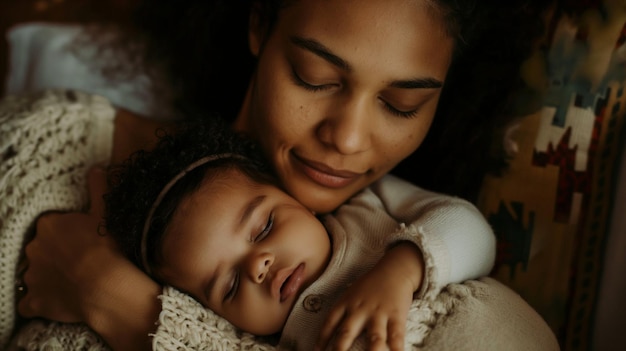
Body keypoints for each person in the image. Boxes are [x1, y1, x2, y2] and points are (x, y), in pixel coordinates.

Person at [12, 0, 557, 350]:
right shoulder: (46, 152)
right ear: (259, 22)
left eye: (402, 104)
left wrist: (117, 300)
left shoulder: (391, 221)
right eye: (314, 76)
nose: (346, 139)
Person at [101, 120, 496, 350]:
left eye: (265, 226)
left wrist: (400, 272)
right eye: (231, 286)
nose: (259, 266)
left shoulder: (367, 208)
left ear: (297, 196)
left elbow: (475, 231)